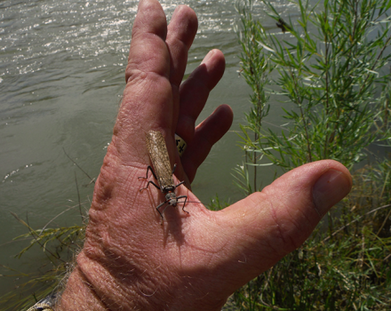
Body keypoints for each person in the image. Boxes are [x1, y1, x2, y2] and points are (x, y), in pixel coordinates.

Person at [36, 0, 352, 310]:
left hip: (163, 172)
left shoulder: (169, 194)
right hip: (161, 170)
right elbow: (161, 189)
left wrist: (106, 296)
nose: (171, 202)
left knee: (164, 181)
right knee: (160, 179)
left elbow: (167, 194)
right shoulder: (165, 190)